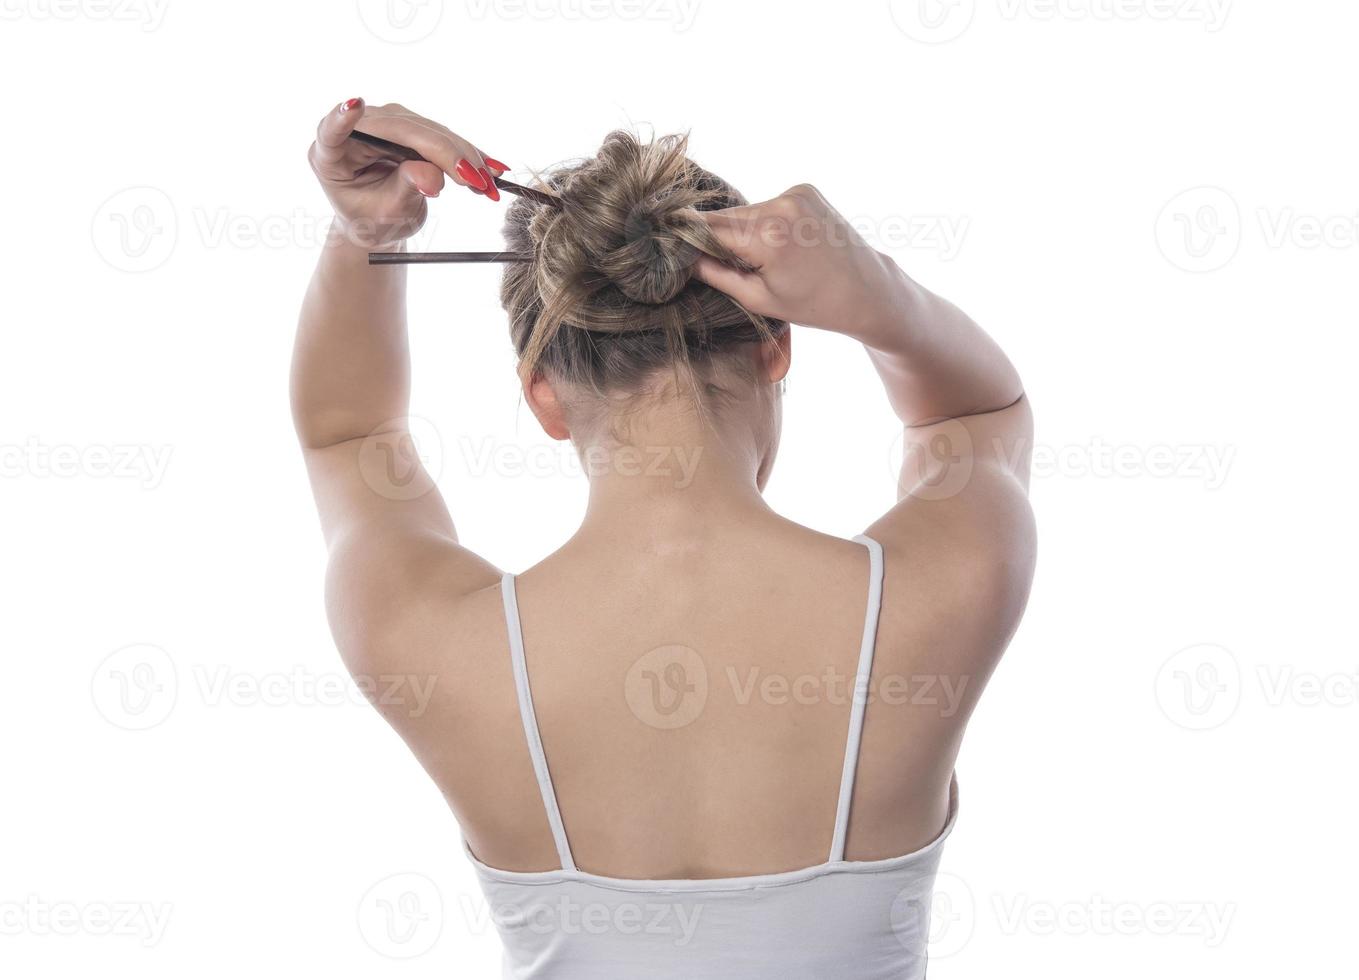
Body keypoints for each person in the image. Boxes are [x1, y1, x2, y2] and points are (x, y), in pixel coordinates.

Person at [293, 98, 1036, 979]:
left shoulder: (428, 636)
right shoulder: (939, 591)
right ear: (774, 350)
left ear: (543, 396)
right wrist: (878, 294)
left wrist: (363, 229)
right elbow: (975, 415)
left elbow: (348, 435)